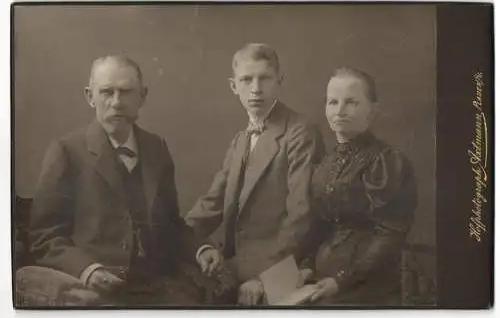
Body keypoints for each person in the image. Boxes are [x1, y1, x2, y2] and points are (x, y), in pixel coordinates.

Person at [25, 55, 221, 306]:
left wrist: (201, 248)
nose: (117, 102)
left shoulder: (155, 148)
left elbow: (171, 223)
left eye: (126, 92)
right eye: (107, 92)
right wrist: (88, 270)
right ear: (90, 96)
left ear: (143, 96)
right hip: (98, 287)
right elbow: (45, 237)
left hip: (158, 284)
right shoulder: (66, 151)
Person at [185, 43, 324, 305]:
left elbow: (301, 218)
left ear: (280, 81)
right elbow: (211, 204)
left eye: (265, 78)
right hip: (234, 264)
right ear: (234, 86)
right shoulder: (240, 139)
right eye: (247, 79)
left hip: (281, 267)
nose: (256, 89)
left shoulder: (300, 132)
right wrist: (187, 240)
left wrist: (264, 277)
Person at [301, 67, 417, 306]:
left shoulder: (387, 162)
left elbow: (389, 237)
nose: (340, 111)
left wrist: (341, 281)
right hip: (321, 281)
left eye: (351, 102)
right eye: (333, 102)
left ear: (372, 111)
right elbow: (320, 225)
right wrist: (306, 267)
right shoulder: (326, 163)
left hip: (367, 287)